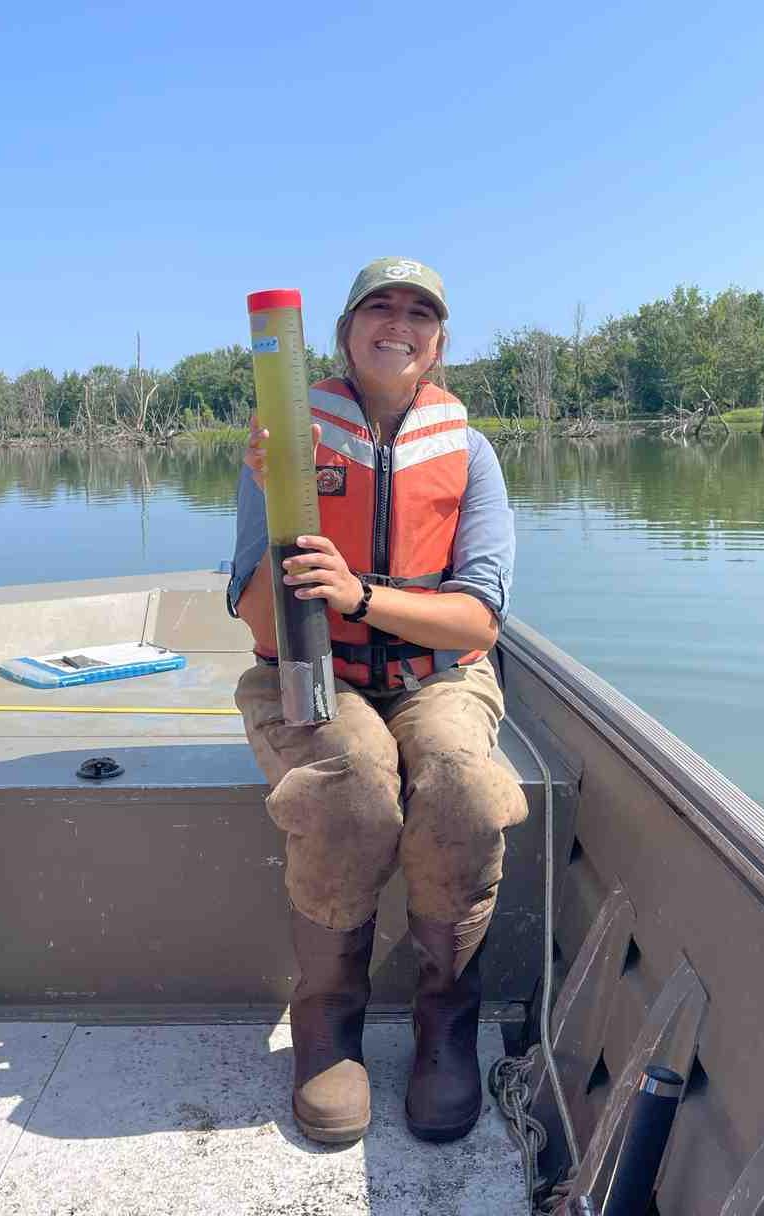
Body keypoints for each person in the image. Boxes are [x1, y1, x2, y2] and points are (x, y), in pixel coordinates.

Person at [227, 257, 527, 1146]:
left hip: (439, 676)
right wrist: (280, 498)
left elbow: (479, 614)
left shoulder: (471, 453)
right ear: (346, 331)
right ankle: (327, 1025)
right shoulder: (282, 438)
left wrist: (359, 595)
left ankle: (446, 1022)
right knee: (353, 780)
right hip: (309, 672)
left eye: (420, 312)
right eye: (379, 307)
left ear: (437, 344)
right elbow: (254, 615)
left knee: (465, 787)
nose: (399, 322)